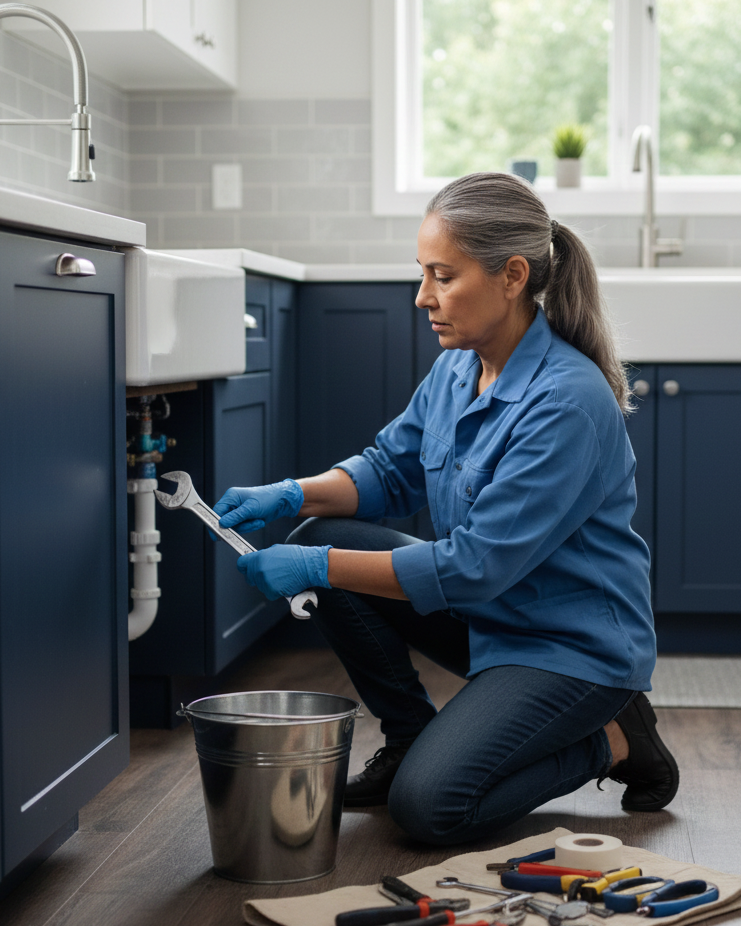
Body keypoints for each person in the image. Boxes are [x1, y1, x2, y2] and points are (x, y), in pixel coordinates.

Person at [213, 171, 678, 846]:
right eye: (423, 273)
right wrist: (290, 495)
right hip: (488, 619)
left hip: (568, 647)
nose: (422, 296)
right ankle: (409, 741)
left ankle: (613, 739)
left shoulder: (567, 402)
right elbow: (387, 471)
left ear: (512, 275)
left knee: (431, 809)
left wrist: (315, 565)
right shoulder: (460, 365)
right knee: (331, 531)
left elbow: (473, 568)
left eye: (443, 276)